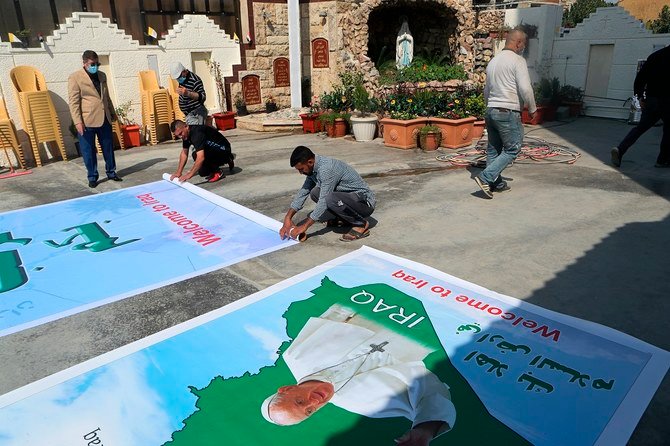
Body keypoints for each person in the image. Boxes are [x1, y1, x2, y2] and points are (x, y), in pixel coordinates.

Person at [260, 304, 456, 446]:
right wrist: (424, 431)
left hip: (393, 305)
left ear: (287, 389)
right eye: (309, 411)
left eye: (301, 402)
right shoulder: (366, 405)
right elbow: (430, 392)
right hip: (436, 325)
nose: (314, 403)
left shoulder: (297, 355)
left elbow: (341, 308)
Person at [474, 29, 536, 199]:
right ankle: (486, 177)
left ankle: (496, 182)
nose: (523, 47)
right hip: (508, 111)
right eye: (524, 44)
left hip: (491, 110)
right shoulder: (518, 60)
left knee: (494, 150)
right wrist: (532, 108)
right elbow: (525, 88)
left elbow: (487, 90)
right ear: (518, 43)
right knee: (512, 149)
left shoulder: (493, 61)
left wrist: (489, 108)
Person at [279, 146, 375, 242]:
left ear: (310, 162)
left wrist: (304, 227)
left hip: (364, 202)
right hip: (349, 200)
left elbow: (324, 200)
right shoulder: (313, 169)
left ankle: (360, 224)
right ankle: (345, 219)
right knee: (315, 193)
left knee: (330, 198)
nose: (300, 172)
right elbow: (304, 191)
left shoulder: (327, 169)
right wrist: (288, 217)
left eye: (301, 169)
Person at [68, 50, 122, 188]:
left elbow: (106, 96)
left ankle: (111, 172)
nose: (95, 66)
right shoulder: (75, 77)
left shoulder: (102, 75)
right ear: (84, 63)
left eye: (97, 63)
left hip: (104, 118)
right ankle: (92, 176)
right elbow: (74, 102)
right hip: (87, 120)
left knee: (108, 147)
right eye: (92, 64)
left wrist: (113, 113)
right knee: (88, 150)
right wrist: (78, 122)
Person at [611, 45, 670, 168]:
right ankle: (662, 160)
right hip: (667, 100)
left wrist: (640, 97)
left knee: (640, 128)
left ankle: (620, 149)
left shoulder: (655, 56)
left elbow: (640, 78)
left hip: (652, 100)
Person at [169, 120, 235, 183]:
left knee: (198, 157)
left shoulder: (197, 133)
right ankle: (226, 160)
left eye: (180, 133)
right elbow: (184, 153)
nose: (181, 137)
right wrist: (178, 172)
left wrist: (190, 174)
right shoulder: (185, 134)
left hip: (223, 149)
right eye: (178, 136)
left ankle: (219, 170)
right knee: (203, 172)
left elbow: (201, 158)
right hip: (212, 150)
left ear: (186, 126)